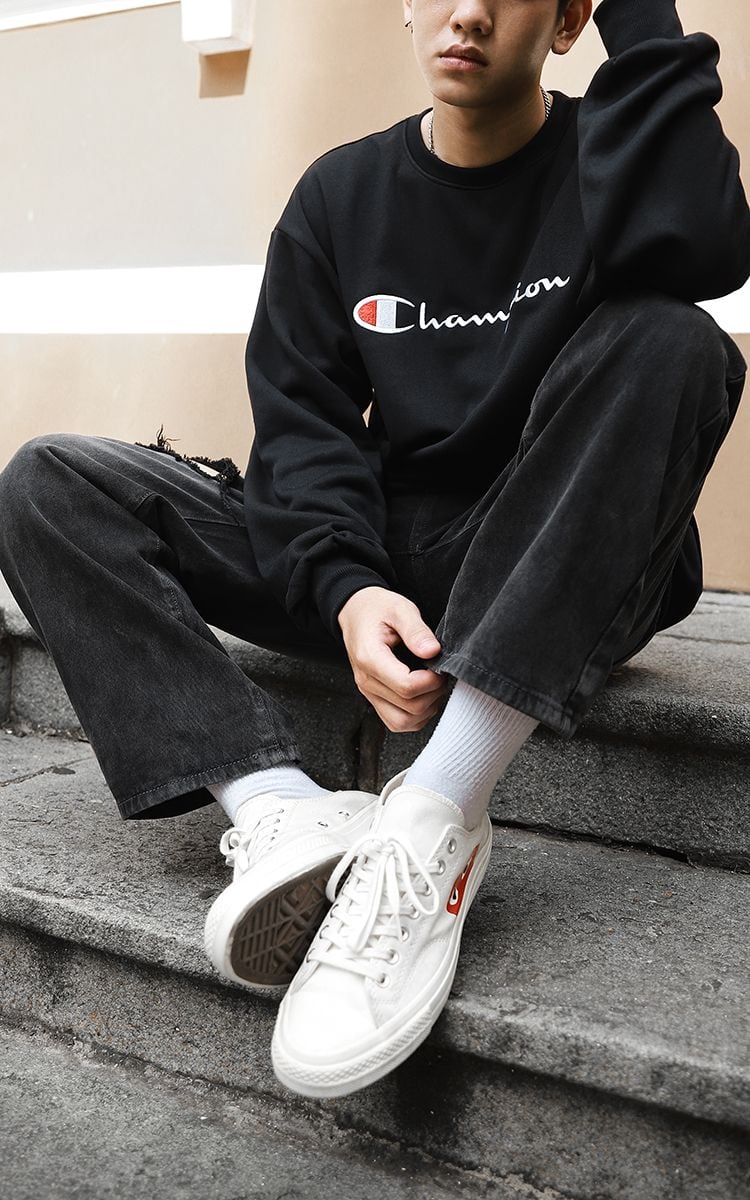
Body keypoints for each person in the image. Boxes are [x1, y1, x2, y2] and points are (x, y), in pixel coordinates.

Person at [0, 0, 748, 1100]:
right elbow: (304, 428)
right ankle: (279, 810)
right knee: (48, 482)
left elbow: (707, 249)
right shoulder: (339, 195)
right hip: (384, 556)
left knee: (678, 337)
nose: (467, 12)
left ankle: (436, 815)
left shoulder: (610, 156)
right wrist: (348, 586)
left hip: (551, 540)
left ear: (568, 18)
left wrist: (641, 22)